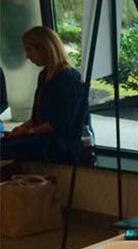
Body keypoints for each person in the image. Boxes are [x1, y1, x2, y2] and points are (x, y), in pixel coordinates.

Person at [2, 27, 90, 163]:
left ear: (45, 49)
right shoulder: (44, 75)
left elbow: (61, 123)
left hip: (61, 143)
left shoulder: (68, 79)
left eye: (29, 50)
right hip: (44, 137)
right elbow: (38, 117)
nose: (27, 56)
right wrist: (21, 128)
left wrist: (29, 132)